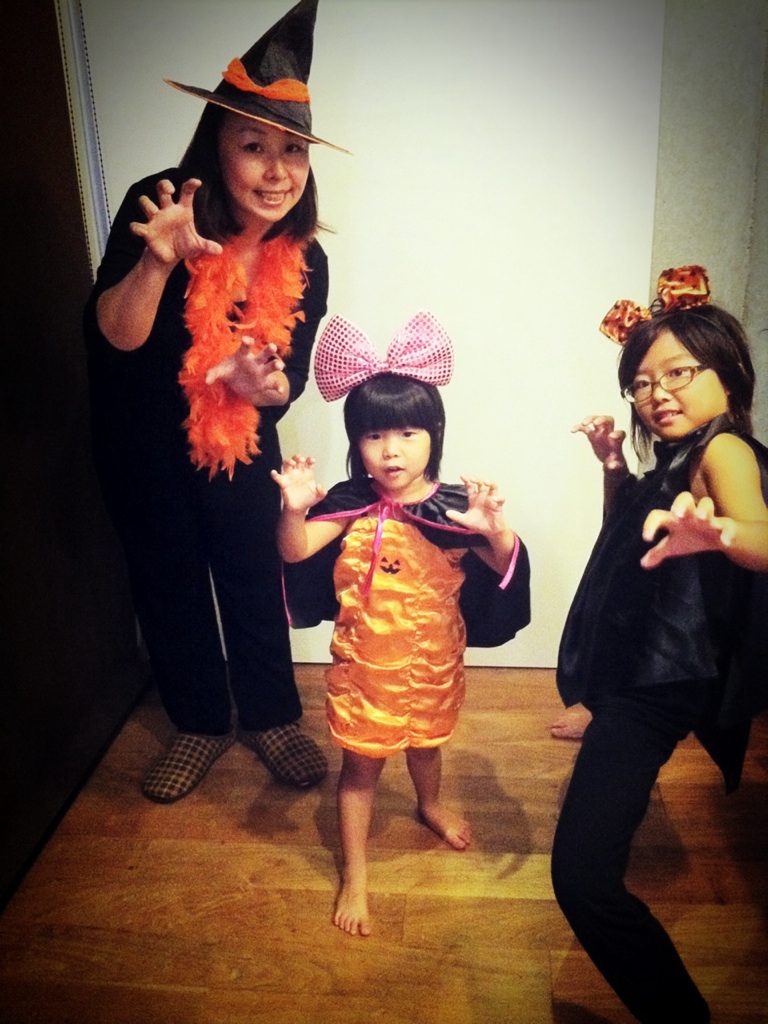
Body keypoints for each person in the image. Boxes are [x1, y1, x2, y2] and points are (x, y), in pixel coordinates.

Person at [83, 0, 348, 803]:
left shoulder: (308, 260)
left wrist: (261, 387)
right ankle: (198, 722)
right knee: (168, 581)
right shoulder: (160, 204)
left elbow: (285, 380)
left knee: (251, 570)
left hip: (238, 443)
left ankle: (271, 716)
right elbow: (113, 336)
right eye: (253, 145)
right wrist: (156, 264)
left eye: (293, 150)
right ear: (217, 145)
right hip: (141, 442)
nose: (276, 170)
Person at [551, 266, 768, 1023]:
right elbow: (622, 531)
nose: (658, 394)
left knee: (581, 880)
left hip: (661, 681)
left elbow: (763, 537)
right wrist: (614, 467)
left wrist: (722, 534)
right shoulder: (677, 456)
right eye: (641, 384)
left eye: (679, 372)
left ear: (728, 375)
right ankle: (594, 707)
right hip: (638, 665)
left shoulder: (724, 450)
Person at [271, 311, 531, 936]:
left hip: (433, 662)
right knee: (360, 769)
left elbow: (504, 564)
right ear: (355, 441)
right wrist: (293, 509)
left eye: (408, 433)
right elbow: (295, 551)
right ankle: (356, 875)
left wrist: (496, 531)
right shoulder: (349, 504)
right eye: (374, 435)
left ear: (433, 435)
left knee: (428, 744)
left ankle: (430, 804)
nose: (391, 450)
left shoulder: (453, 509)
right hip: (366, 668)